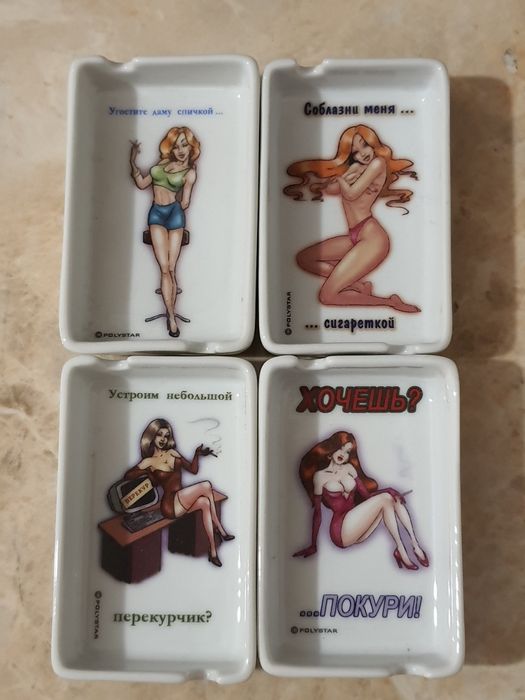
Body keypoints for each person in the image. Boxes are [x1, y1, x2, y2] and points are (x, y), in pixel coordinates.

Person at [284, 124, 420, 313]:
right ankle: (357, 285)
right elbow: (332, 190)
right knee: (305, 258)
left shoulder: (378, 163)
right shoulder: (358, 168)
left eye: (365, 145)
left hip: (372, 238)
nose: (362, 153)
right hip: (355, 235)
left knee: (327, 296)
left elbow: (351, 194)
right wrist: (343, 175)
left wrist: (341, 179)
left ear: (373, 143)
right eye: (355, 152)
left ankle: (389, 302)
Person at [293, 431, 428, 570]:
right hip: (341, 531)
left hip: (356, 528)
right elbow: (317, 513)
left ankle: (414, 544)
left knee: (393, 499)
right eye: (340, 448)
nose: (343, 454)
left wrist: (388, 490)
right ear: (332, 449)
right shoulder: (320, 476)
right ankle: (402, 549)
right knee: (387, 497)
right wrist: (313, 545)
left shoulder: (349, 469)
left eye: (347, 451)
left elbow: (366, 496)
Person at [124, 418, 233, 567]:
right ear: (152, 436)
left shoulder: (172, 453)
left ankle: (213, 551)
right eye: (159, 435)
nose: (163, 439)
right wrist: (146, 471)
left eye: (166, 435)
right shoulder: (148, 461)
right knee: (206, 485)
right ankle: (220, 530)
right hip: (170, 505)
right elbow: (128, 476)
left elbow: (193, 470)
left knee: (205, 503)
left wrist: (197, 454)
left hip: (181, 500)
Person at [129, 127, 200, 337]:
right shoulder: (161, 165)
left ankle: (171, 314)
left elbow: (185, 202)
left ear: (191, 147)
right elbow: (142, 184)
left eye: (185, 145)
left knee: (172, 267)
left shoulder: (190, 173)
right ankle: (170, 316)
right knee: (165, 268)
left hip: (175, 215)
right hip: (156, 215)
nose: (181, 150)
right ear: (170, 148)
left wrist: (174, 203)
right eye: (176, 146)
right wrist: (132, 162)